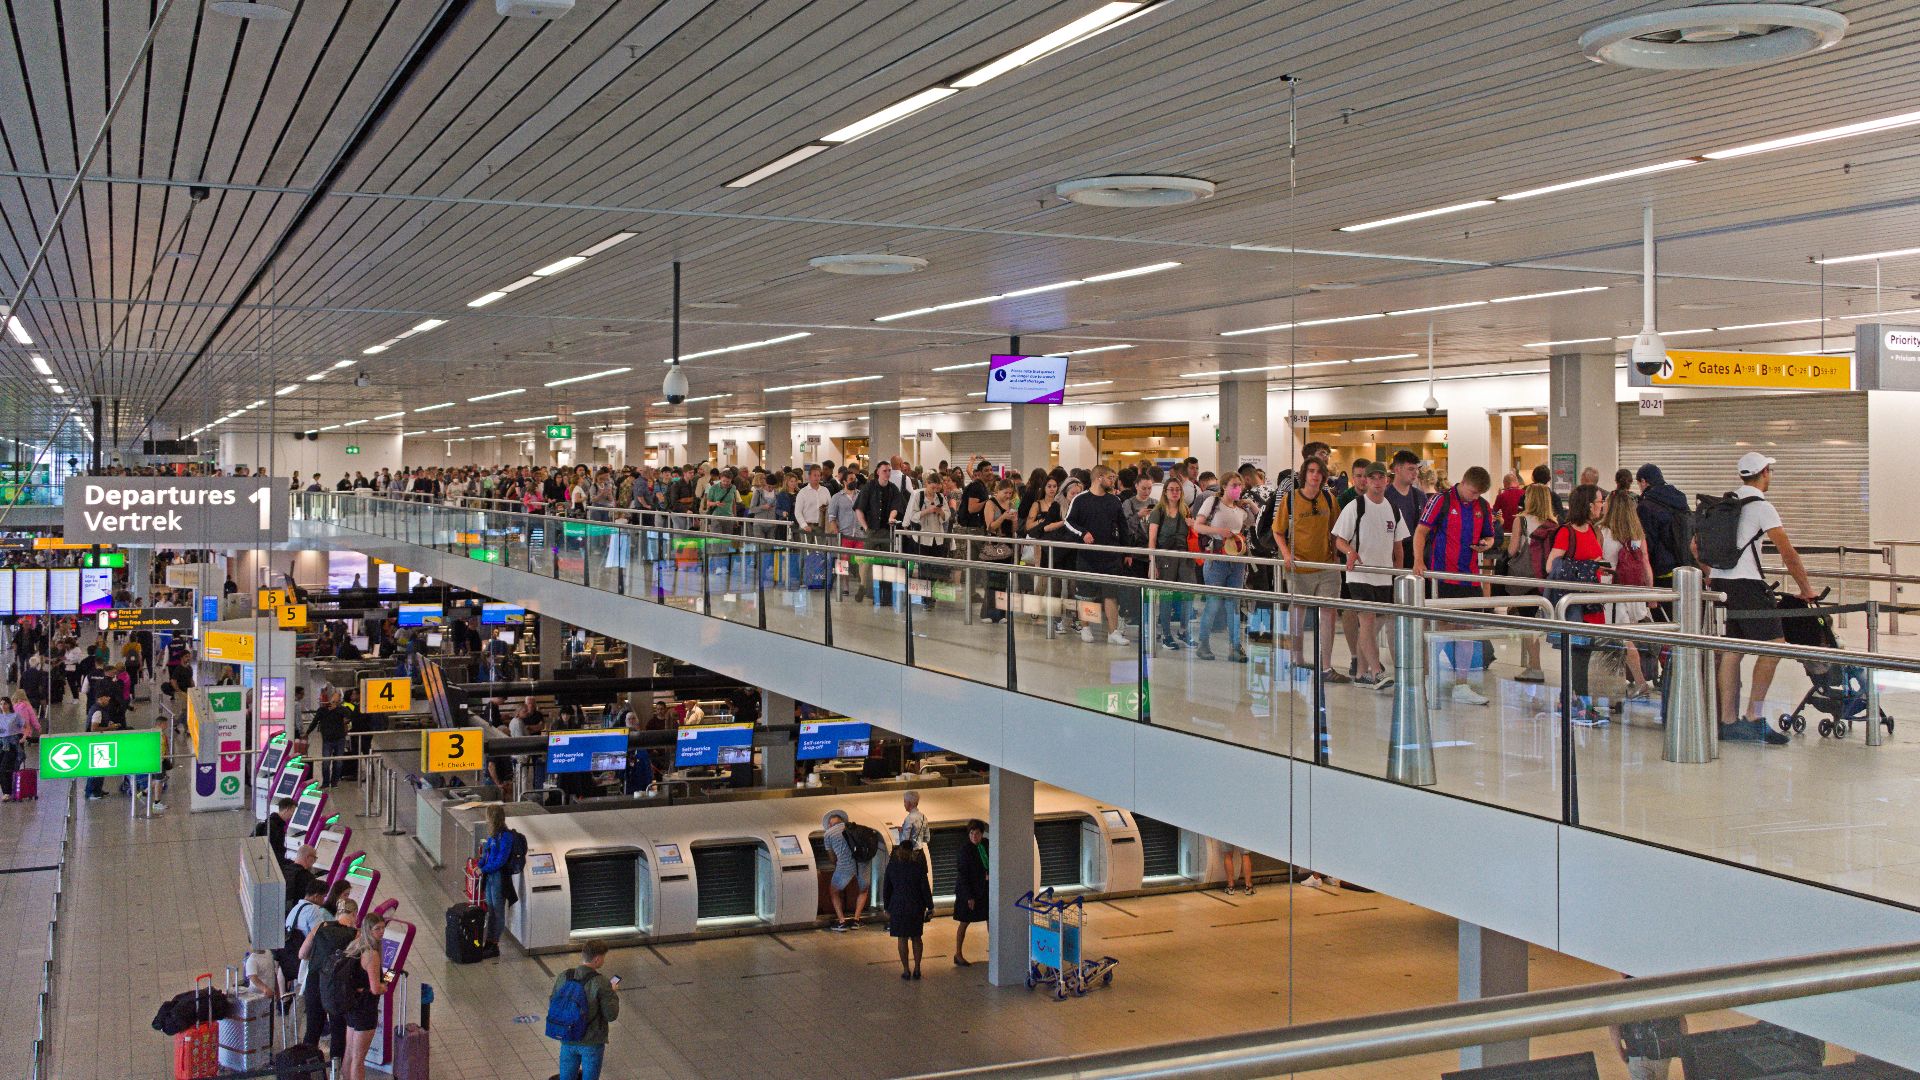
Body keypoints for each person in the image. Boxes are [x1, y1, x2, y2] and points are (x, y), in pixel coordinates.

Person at [1707, 453, 1812, 745]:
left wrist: (1710, 575)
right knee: (1775, 647)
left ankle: (1728, 722)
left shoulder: (1725, 504)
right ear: (1764, 472)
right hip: (1749, 585)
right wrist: (1805, 588)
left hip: (1721, 582)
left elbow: (1696, 544)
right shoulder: (1762, 508)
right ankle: (1753, 717)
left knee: (1733, 649)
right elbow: (1787, 551)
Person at [1412, 466, 1498, 706]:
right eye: (1471, 492)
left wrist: (1486, 544)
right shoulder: (1441, 500)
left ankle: (1462, 684)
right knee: (1435, 630)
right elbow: (1421, 532)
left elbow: (1490, 535)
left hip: (1469, 577)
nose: (1474, 497)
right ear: (1462, 482)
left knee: (1467, 631)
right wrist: (1419, 561)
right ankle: (1424, 679)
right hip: (1441, 578)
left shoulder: (1483, 506)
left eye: (1478, 493)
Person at [1331, 463, 1409, 689]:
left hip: (1383, 576)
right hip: (1359, 575)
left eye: (1380, 477)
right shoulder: (1355, 507)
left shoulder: (1393, 509)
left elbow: (1398, 546)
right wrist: (1350, 552)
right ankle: (1376, 672)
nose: (1376, 481)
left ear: (1386, 480)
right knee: (1366, 621)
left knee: (1373, 626)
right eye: (1371, 477)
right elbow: (1339, 539)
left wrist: (1397, 576)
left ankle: (1362, 672)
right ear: (1364, 480)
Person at [1546, 484, 1612, 726]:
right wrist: (1588, 566)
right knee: (1577, 655)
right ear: (1587, 504)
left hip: (1591, 604)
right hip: (1575, 605)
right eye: (1598, 502)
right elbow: (1551, 565)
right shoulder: (1566, 532)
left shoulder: (1593, 531)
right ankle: (1577, 705)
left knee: (1584, 655)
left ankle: (1575, 702)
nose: (1601, 506)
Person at [1273, 457, 1343, 676]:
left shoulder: (1329, 499)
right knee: (1298, 614)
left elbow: (1335, 529)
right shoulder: (1291, 499)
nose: (1315, 475)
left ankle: (1326, 665)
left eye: (1319, 472)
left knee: (1328, 614)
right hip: (1299, 567)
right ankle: (1297, 658)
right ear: (1304, 474)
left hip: (1326, 566)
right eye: (1311, 471)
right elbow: (1278, 531)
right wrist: (1286, 554)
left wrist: (1335, 555)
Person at [1064, 465, 1131, 646]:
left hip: (1111, 555)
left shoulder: (1114, 500)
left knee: (1111, 594)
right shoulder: (1080, 499)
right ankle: (1085, 627)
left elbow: (1123, 527)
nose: (1113, 481)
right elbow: (1069, 523)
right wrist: (1082, 533)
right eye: (1110, 477)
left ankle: (1113, 632)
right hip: (1087, 556)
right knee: (1085, 595)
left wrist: (1127, 551)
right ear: (1099, 478)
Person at [1600, 488, 1657, 699]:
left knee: (1621, 638)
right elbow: (1645, 563)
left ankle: (1639, 682)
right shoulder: (1637, 532)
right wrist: (1651, 596)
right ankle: (1629, 681)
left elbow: (1600, 563)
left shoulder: (1604, 532)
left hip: (1613, 589)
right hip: (1635, 589)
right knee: (1626, 635)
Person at [1191, 473, 1253, 663]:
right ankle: (1203, 643)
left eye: (1240, 486)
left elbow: (1253, 522)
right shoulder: (1212, 502)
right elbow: (1197, 526)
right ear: (1224, 486)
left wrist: (1251, 505)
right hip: (1217, 559)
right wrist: (1219, 532)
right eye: (1234, 485)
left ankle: (1235, 646)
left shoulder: (1240, 509)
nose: (1237, 489)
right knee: (1213, 604)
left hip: (1236, 561)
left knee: (1234, 605)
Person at [1506, 483, 1558, 682]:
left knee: (1526, 622)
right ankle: (1534, 664)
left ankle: (1535, 666)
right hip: (1544, 578)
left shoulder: (1521, 520)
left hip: (1525, 578)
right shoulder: (1553, 523)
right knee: (1537, 620)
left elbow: (1512, 550)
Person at [550, 940, 620, 1080]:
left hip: (568, 1038)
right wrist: (612, 993)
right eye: (603, 957)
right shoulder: (601, 982)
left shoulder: (564, 976)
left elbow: (553, 1002)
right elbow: (611, 1015)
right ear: (597, 959)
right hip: (591, 1041)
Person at [297, 896, 357, 1051]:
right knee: (338, 1032)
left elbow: (302, 954)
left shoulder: (320, 926)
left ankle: (307, 1069)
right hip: (336, 987)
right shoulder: (355, 935)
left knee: (312, 1030)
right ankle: (335, 1072)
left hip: (314, 981)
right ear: (354, 914)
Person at [1146, 480, 1200, 650]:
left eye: (1178, 490)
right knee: (1166, 596)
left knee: (1188, 594)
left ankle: (1184, 630)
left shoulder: (1185, 510)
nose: (1175, 493)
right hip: (1165, 557)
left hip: (1185, 557)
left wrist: (1194, 526)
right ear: (1165, 492)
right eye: (1171, 490)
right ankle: (1166, 634)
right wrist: (1152, 561)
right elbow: (1152, 539)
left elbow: (1193, 534)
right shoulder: (1158, 512)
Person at [337, 915, 387, 1080]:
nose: (381, 932)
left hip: (352, 1005)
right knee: (359, 1059)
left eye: (382, 928)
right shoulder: (372, 954)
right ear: (368, 930)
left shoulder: (355, 945)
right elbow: (375, 988)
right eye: (377, 929)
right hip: (366, 1009)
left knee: (349, 1054)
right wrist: (386, 984)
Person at [478, 804, 525, 957]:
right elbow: (487, 854)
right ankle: (489, 942)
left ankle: (494, 944)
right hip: (491, 877)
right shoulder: (493, 836)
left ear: (493, 818)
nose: (486, 819)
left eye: (488, 816)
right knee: (491, 910)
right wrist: (479, 864)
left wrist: (484, 868)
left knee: (497, 912)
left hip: (499, 878)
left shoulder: (506, 837)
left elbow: (500, 860)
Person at [883, 838, 934, 980]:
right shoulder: (918, 867)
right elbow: (925, 889)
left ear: (899, 851)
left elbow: (887, 889)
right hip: (915, 906)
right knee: (916, 937)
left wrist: (887, 907)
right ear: (912, 852)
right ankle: (917, 968)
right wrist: (930, 906)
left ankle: (906, 970)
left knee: (902, 938)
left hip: (898, 906)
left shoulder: (892, 867)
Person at [1634, 464, 1690, 592]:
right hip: (1683, 566)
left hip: (1661, 570)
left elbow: (1648, 541)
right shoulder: (1679, 500)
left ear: (1643, 481)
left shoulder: (1646, 506)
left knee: (1661, 610)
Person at [822, 809, 871, 930]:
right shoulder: (854, 827)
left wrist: (837, 864)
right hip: (862, 862)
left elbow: (832, 857)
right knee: (863, 889)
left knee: (834, 891)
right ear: (842, 820)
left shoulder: (828, 834)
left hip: (845, 865)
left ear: (829, 824)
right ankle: (856, 920)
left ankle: (842, 922)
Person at [952, 818, 989, 966]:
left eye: (977, 833)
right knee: (964, 921)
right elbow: (963, 875)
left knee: (990, 919)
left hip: (984, 890)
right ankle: (958, 953)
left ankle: (995, 949)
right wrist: (969, 896)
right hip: (968, 892)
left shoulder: (985, 845)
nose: (974, 836)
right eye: (972, 833)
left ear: (982, 834)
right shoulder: (965, 850)